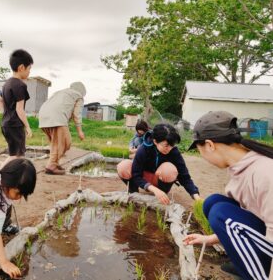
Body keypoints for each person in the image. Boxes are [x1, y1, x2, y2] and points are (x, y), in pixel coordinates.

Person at [183, 111, 273, 280]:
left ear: (210, 145)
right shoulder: (238, 168)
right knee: (212, 203)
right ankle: (243, 263)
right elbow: (245, 221)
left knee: (220, 213)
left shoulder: (265, 172)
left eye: (199, 150)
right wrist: (209, 239)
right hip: (267, 240)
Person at [117, 123, 201, 205]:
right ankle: (133, 192)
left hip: (160, 181)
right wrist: (152, 188)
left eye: (172, 145)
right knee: (123, 166)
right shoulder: (143, 149)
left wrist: (195, 195)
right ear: (155, 141)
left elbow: (184, 176)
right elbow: (136, 174)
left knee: (169, 169)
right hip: (145, 177)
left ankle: (162, 193)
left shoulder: (174, 152)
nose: (169, 149)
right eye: (166, 145)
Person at [38, 82, 86, 175]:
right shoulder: (79, 96)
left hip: (43, 116)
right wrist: (80, 131)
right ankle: (51, 166)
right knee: (65, 142)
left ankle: (55, 164)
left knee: (55, 143)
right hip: (56, 118)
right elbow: (77, 114)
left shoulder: (61, 92)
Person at [0, 49, 33, 169]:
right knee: (16, 157)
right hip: (15, 125)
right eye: (29, 69)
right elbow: (20, 109)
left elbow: (0, 101)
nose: (29, 72)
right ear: (21, 68)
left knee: (16, 155)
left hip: (6, 124)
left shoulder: (6, 83)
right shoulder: (20, 85)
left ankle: (10, 179)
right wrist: (28, 126)